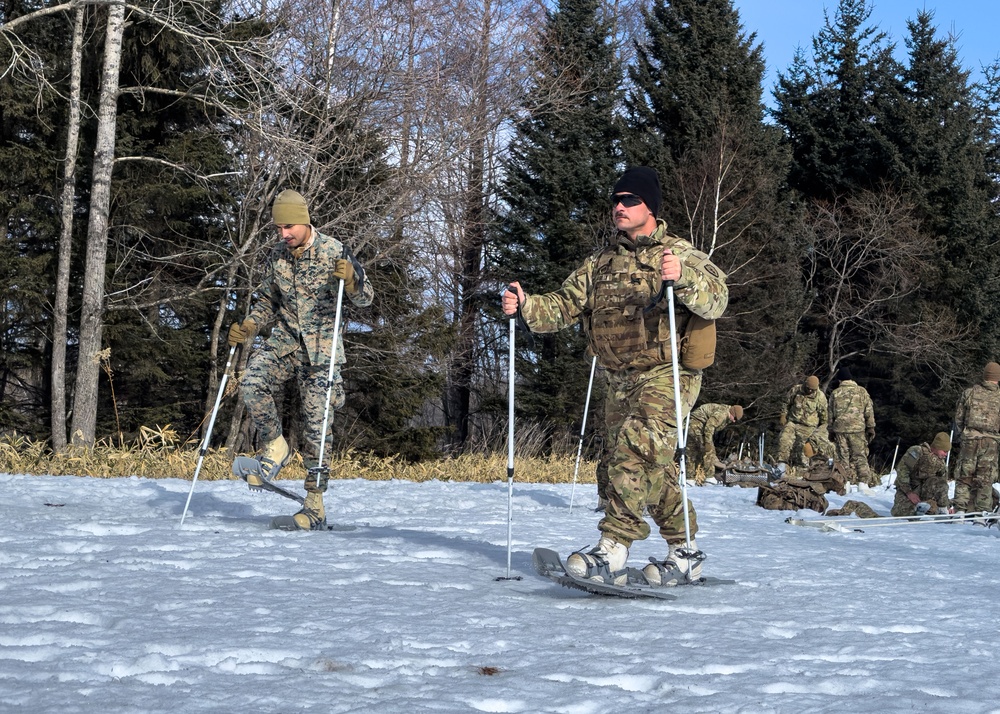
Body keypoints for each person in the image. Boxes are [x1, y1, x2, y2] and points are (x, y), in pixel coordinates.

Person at [501, 166, 728, 587]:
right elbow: (561, 305)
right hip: (616, 379)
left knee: (634, 450)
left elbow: (718, 298)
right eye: (616, 200)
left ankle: (613, 550)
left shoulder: (677, 254)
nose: (619, 207)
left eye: (630, 200)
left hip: (666, 375)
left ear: (651, 208)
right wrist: (526, 304)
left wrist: (685, 277)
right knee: (638, 469)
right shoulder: (600, 263)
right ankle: (685, 551)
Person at [227, 189, 374, 530]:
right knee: (251, 381)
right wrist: (250, 325)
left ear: (305, 221)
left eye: (289, 226)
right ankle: (275, 445)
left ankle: (314, 505)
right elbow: (266, 300)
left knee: (317, 429)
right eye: (279, 228)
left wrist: (352, 279)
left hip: (321, 349)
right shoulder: (278, 255)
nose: (283, 234)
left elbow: (366, 299)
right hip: (286, 342)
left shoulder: (333, 250)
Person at [951, 362, 1000, 513]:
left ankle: (960, 510)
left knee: (964, 475)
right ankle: (982, 513)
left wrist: (964, 435)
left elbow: (958, 418)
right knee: (985, 478)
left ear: (984, 375)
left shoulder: (969, 392)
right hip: (991, 442)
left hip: (970, 439)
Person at [827, 366, 877, 488]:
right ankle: (863, 483)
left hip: (840, 429)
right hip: (857, 429)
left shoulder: (835, 393)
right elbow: (868, 410)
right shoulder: (861, 391)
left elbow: (830, 413)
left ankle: (845, 483)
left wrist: (830, 429)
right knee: (860, 456)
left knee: (843, 457)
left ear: (840, 380)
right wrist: (870, 427)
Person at [775, 376, 833, 467]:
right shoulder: (796, 390)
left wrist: (821, 431)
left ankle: (806, 468)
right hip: (793, 422)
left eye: (812, 390)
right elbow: (786, 403)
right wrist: (783, 414)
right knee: (784, 439)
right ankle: (782, 464)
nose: (810, 391)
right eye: (808, 389)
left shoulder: (820, 397)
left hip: (809, 427)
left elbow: (824, 416)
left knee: (805, 450)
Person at [890, 432, 952, 516]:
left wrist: (946, 506)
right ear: (937, 447)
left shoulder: (941, 463)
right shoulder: (917, 451)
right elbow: (903, 470)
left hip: (926, 491)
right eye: (944, 451)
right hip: (909, 488)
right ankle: (924, 507)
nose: (946, 454)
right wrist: (909, 492)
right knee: (901, 513)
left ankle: (940, 510)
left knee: (939, 482)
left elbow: (942, 486)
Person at [686, 403, 743, 483]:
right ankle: (709, 477)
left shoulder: (724, 412)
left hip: (693, 424)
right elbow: (709, 427)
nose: (734, 421)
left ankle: (690, 478)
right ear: (732, 413)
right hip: (696, 424)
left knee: (694, 452)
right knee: (707, 452)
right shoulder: (722, 414)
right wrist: (708, 442)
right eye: (735, 418)